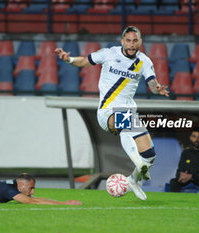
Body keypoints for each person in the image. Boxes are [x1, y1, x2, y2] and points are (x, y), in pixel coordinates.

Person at [55, 26, 169, 201]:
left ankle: (133, 179)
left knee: (150, 155)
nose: (132, 44)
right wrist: (68, 59)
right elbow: (84, 61)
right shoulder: (109, 53)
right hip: (107, 112)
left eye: (135, 41)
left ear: (140, 42)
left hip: (129, 113)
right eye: (128, 40)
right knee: (127, 124)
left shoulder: (144, 61)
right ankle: (137, 163)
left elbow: (152, 82)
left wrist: (157, 88)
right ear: (122, 41)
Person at [0, 173, 82, 205]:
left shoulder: (13, 185)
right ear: (20, 186)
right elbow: (30, 201)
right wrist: (63, 204)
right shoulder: (8, 189)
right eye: (31, 188)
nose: (32, 192)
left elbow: (36, 198)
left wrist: (59, 202)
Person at [169, 128, 199, 193]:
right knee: (173, 182)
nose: (196, 140)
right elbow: (180, 169)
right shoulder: (186, 152)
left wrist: (192, 176)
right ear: (190, 138)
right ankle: (175, 202)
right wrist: (181, 176)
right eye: (194, 136)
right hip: (187, 179)